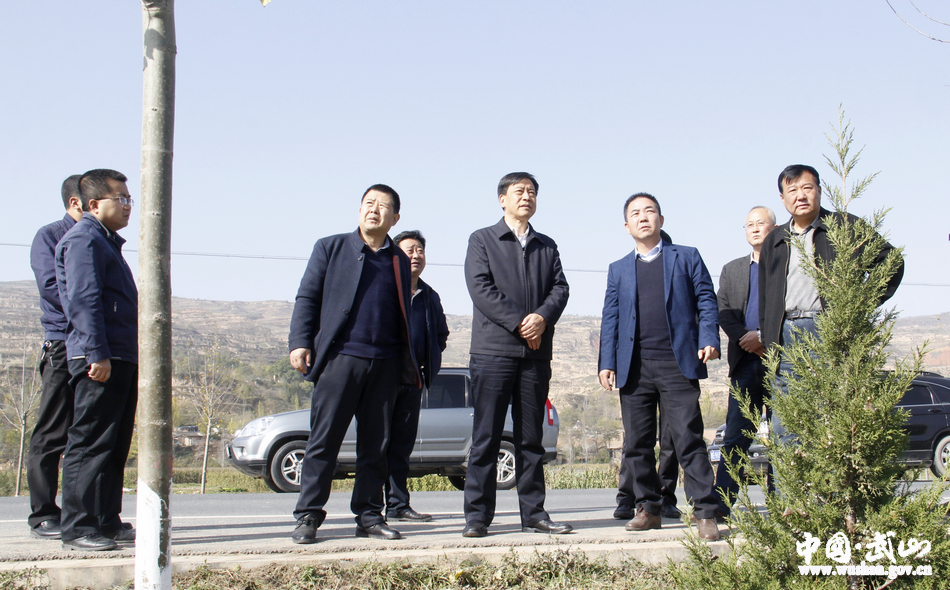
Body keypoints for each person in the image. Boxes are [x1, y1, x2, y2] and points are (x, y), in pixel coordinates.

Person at [288, 184, 420, 543]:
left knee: (375, 446)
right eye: (368, 203)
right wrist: (300, 342)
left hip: (385, 364)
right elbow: (307, 297)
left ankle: (369, 516)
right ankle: (308, 515)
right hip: (340, 360)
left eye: (383, 206)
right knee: (323, 441)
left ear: (395, 218)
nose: (374, 210)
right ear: (360, 209)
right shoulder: (330, 247)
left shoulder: (398, 259)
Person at [598, 192, 722, 541]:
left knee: (688, 439)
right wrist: (607, 361)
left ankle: (705, 512)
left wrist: (708, 337)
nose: (643, 217)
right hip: (634, 368)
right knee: (637, 443)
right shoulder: (618, 269)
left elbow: (706, 299)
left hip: (677, 363)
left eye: (649, 211)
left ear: (661, 220)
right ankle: (648, 509)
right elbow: (610, 318)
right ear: (626, 226)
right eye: (635, 213)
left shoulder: (687, 257)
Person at [462, 172, 571, 538]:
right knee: (486, 437)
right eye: (519, 191)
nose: (527, 197)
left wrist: (542, 318)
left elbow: (560, 288)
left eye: (532, 192)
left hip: (535, 355)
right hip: (493, 352)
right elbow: (480, 288)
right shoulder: (482, 239)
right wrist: (521, 323)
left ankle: (534, 514)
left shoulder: (546, 245)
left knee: (530, 439)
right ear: (502, 199)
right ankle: (477, 517)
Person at [759, 165, 904, 438]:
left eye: (807, 188)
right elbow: (765, 297)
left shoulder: (844, 226)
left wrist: (859, 303)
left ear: (819, 190)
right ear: (782, 198)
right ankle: (793, 467)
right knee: (787, 420)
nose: (800, 196)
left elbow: (891, 261)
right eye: (792, 190)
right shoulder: (775, 240)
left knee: (833, 416)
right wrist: (769, 340)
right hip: (785, 335)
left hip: (829, 329)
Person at [55, 169, 138, 551]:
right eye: (120, 199)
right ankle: (78, 525)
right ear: (93, 204)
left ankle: (105, 519)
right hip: (99, 357)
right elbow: (83, 300)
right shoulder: (84, 240)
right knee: (89, 442)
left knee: (113, 443)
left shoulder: (105, 242)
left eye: (129, 199)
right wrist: (96, 353)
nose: (127, 206)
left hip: (120, 354)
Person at [26, 175, 84, 539]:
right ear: (77, 201)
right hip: (64, 344)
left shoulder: (99, 240)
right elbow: (53, 288)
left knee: (86, 434)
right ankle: (44, 513)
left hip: (94, 347)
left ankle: (84, 514)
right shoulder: (50, 236)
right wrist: (90, 318)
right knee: (51, 433)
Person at [713, 206, 776, 517]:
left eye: (760, 223)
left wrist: (764, 337)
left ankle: (782, 504)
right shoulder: (732, 269)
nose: (754, 228)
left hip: (780, 361)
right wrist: (746, 338)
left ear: (774, 228)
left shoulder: (787, 264)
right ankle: (722, 504)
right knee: (736, 435)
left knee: (782, 435)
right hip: (745, 362)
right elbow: (723, 310)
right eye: (749, 224)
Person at [386, 230, 449, 522]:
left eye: (420, 250)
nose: (416, 255)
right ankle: (370, 510)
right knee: (376, 445)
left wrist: (427, 363)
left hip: (412, 381)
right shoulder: (383, 288)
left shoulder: (429, 296)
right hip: (380, 380)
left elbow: (441, 334)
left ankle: (398, 505)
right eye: (409, 250)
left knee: (401, 447)